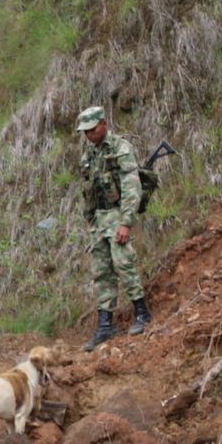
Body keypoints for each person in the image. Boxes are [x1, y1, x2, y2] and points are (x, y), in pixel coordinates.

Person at [77, 105, 152, 350]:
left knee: (123, 263)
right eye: (85, 131)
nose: (89, 134)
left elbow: (132, 187)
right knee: (102, 271)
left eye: (92, 129)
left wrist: (125, 222)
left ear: (103, 124)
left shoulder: (120, 148)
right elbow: (88, 190)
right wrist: (90, 218)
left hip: (117, 214)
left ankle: (142, 312)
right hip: (99, 219)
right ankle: (105, 324)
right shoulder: (89, 155)